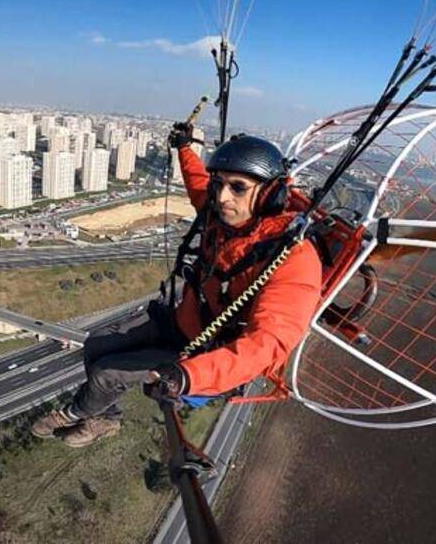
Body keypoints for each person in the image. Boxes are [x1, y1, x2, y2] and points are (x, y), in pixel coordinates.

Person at [31, 123, 323, 447]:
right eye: (220, 184)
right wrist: (185, 148)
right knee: (96, 345)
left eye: (238, 187)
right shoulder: (224, 215)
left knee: (106, 373)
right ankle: (105, 419)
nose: (223, 196)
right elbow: (199, 184)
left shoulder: (295, 260)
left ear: (269, 195)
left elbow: (266, 345)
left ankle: (74, 413)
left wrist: (188, 376)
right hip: (182, 322)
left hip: (205, 356)